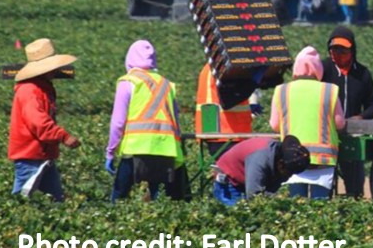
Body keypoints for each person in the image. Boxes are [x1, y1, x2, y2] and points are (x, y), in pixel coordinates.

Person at [106, 39, 185, 202]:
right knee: (160, 200)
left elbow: (118, 121)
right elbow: (176, 121)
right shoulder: (166, 84)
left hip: (136, 147)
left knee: (119, 197)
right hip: (165, 147)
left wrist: (110, 152)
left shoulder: (128, 82)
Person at [8, 38, 81, 201]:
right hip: (30, 155)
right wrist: (63, 136)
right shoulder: (30, 90)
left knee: (56, 200)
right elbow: (38, 122)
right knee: (22, 200)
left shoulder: (41, 87)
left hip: (43, 154)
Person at [270, 46, 345, 199]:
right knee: (320, 206)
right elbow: (340, 124)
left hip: (292, 156)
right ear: (318, 69)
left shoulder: (281, 90)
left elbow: (274, 125)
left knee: (296, 204)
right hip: (322, 158)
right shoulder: (329, 90)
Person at [320, 26, 373, 197]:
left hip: (352, 135)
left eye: (343, 50)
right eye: (334, 49)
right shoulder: (323, 70)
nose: (337, 54)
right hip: (326, 134)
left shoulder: (362, 74)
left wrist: (361, 117)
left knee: (355, 182)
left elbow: (372, 105)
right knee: (326, 182)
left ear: (352, 50)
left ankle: (354, 201)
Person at [211, 135, 311, 206]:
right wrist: (280, 200)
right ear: (280, 164)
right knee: (236, 215)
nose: (289, 176)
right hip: (230, 181)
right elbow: (254, 195)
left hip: (247, 179)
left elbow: (270, 188)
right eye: (289, 173)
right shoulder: (259, 159)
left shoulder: (281, 157)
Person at [194, 63, 261, 159]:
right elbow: (229, 99)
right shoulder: (225, 69)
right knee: (234, 169)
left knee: (225, 168)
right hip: (229, 131)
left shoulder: (211, 68)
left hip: (215, 130)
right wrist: (252, 83)